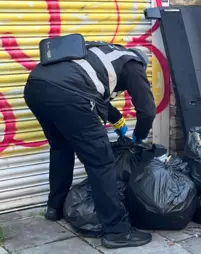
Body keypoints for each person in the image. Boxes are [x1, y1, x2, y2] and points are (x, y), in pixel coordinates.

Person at [23, 36, 156, 248]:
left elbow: (92, 90)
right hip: (67, 93)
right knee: (101, 162)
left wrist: (117, 119)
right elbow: (147, 112)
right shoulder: (133, 64)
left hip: (35, 86)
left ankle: (54, 207)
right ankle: (117, 231)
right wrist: (138, 137)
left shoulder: (102, 51)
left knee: (61, 148)